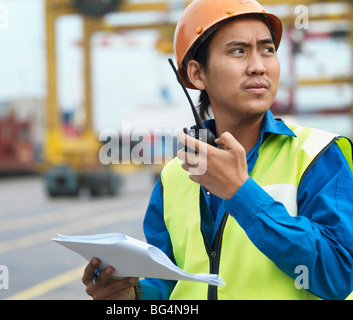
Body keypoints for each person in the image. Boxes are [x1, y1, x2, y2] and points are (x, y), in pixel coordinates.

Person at [82, 0, 353, 300]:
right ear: (197, 74)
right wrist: (133, 296)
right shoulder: (174, 177)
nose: (258, 66)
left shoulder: (318, 156)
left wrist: (241, 192)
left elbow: (339, 275)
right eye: (238, 51)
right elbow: (170, 283)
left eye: (268, 50)